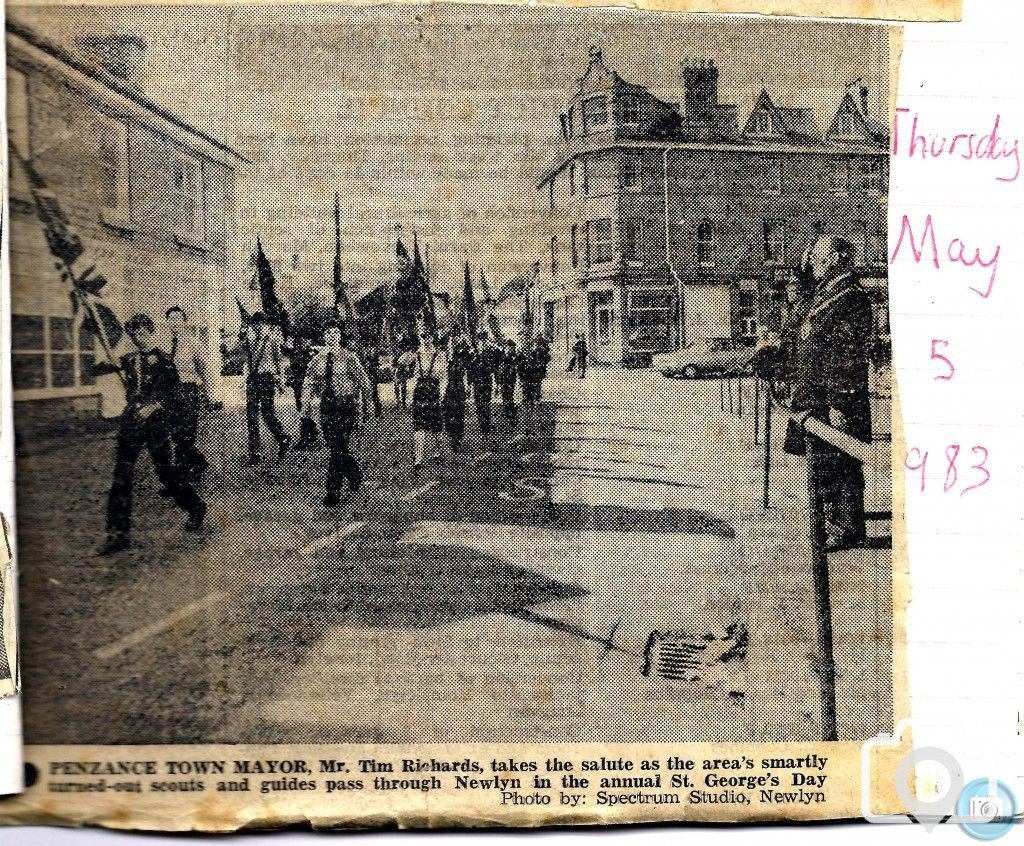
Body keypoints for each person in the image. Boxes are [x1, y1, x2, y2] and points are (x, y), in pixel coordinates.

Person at [789, 234, 874, 551]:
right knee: (825, 464)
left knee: (842, 462)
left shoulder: (850, 295)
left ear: (837, 257)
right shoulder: (826, 292)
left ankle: (846, 528)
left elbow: (846, 354)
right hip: (818, 396)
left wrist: (840, 399)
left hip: (837, 398)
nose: (814, 263)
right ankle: (831, 524)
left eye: (820, 257)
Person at [97, 314, 206, 555]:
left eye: (143, 333)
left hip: (156, 424)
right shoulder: (129, 359)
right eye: (134, 334)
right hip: (132, 422)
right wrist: (107, 361)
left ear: (151, 332)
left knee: (166, 472)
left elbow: (176, 395)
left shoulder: (164, 361)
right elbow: (103, 368)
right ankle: (118, 533)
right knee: (121, 475)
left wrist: (156, 404)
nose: (138, 338)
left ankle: (195, 507)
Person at [301, 322, 374, 507]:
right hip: (327, 408)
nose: (332, 335)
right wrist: (305, 408)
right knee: (336, 447)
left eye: (335, 332)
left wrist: (368, 406)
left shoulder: (350, 358)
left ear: (340, 335)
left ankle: (332, 492)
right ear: (324, 336)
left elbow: (364, 383)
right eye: (328, 332)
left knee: (338, 449)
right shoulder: (316, 360)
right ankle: (354, 473)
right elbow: (308, 384)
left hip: (346, 406)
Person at [221, 312, 291, 465]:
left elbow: (278, 362)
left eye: (261, 324)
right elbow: (240, 356)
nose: (258, 327)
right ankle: (255, 452)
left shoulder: (273, 340)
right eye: (255, 324)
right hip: (253, 379)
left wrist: (281, 383)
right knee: (251, 416)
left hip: (267, 379)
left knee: (267, 413)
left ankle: (282, 437)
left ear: (266, 325)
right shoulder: (250, 341)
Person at [163, 306, 209, 481]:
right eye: (171, 319)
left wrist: (205, 392)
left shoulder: (193, 342)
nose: (174, 322)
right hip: (172, 392)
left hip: (189, 390)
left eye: (177, 318)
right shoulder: (165, 344)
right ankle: (198, 461)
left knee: (187, 431)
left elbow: (203, 368)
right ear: (168, 322)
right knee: (175, 432)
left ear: (184, 321)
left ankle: (183, 475)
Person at [398, 332, 446, 477]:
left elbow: (444, 377)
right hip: (420, 391)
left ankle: (439, 452)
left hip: (434, 391)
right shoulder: (417, 353)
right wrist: (410, 350)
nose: (427, 340)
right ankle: (418, 460)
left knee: (436, 426)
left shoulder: (440, 354)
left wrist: (442, 394)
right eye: (424, 337)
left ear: (433, 339)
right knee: (419, 426)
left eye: (429, 337)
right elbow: (401, 361)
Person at [285, 334, 321, 451]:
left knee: (304, 409)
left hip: (305, 384)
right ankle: (312, 430)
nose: (301, 343)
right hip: (298, 383)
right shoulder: (295, 350)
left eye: (303, 341)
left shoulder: (309, 353)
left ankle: (306, 437)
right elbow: (291, 364)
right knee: (301, 409)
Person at [466, 331, 499, 450]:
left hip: (486, 384)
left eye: (484, 340)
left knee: (485, 406)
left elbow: (494, 369)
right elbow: (470, 371)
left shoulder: (490, 354)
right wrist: (469, 386)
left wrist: (496, 385)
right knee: (479, 408)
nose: (482, 343)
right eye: (480, 341)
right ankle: (484, 430)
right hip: (477, 385)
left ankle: (486, 432)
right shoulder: (473, 356)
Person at [442, 334, 471, 452]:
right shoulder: (446, 362)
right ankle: (454, 437)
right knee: (450, 414)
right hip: (450, 390)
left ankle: (456, 439)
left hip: (457, 389)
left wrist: (467, 388)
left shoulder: (461, 363)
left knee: (457, 414)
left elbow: (465, 376)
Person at [519, 335, 551, 434]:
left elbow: (545, 361)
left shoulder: (538, 352)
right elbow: (519, 367)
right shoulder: (522, 353)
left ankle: (536, 426)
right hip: (527, 381)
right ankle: (527, 427)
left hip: (534, 380)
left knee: (535, 402)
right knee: (528, 403)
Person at [497, 339, 521, 428]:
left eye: (511, 347)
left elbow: (516, 368)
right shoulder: (503, 356)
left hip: (510, 380)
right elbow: (500, 369)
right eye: (508, 347)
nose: (509, 349)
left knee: (509, 397)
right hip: (504, 379)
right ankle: (509, 415)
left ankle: (511, 415)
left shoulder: (513, 357)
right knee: (505, 397)